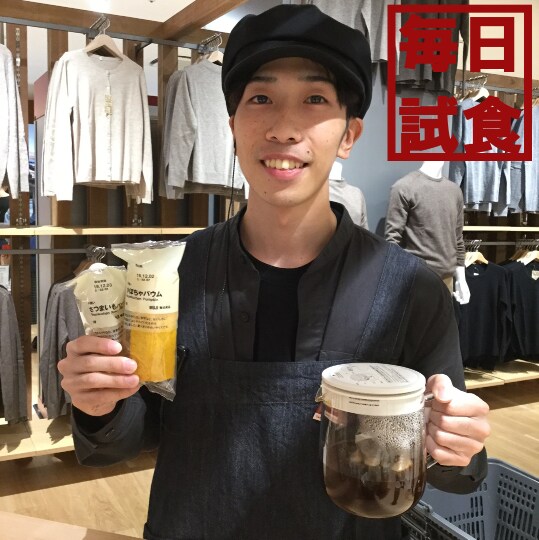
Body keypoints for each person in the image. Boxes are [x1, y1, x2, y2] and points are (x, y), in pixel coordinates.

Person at [58, 5, 490, 540]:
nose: (284, 128)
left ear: (349, 134)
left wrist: (455, 442)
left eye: (315, 99)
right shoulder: (168, 275)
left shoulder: (410, 290)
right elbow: (129, 435)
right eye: (260, 99)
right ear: (233, 126)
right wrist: (99, 404)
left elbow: (456, 469)